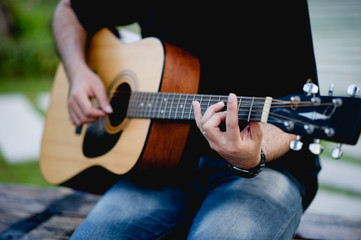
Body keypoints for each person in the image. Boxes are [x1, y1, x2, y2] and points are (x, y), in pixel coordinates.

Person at [52, 1, 320, 239]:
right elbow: (68, 10)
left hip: (265, 171)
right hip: (159, 169)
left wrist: (256, 154)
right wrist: (78, 72)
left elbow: (303, 108)